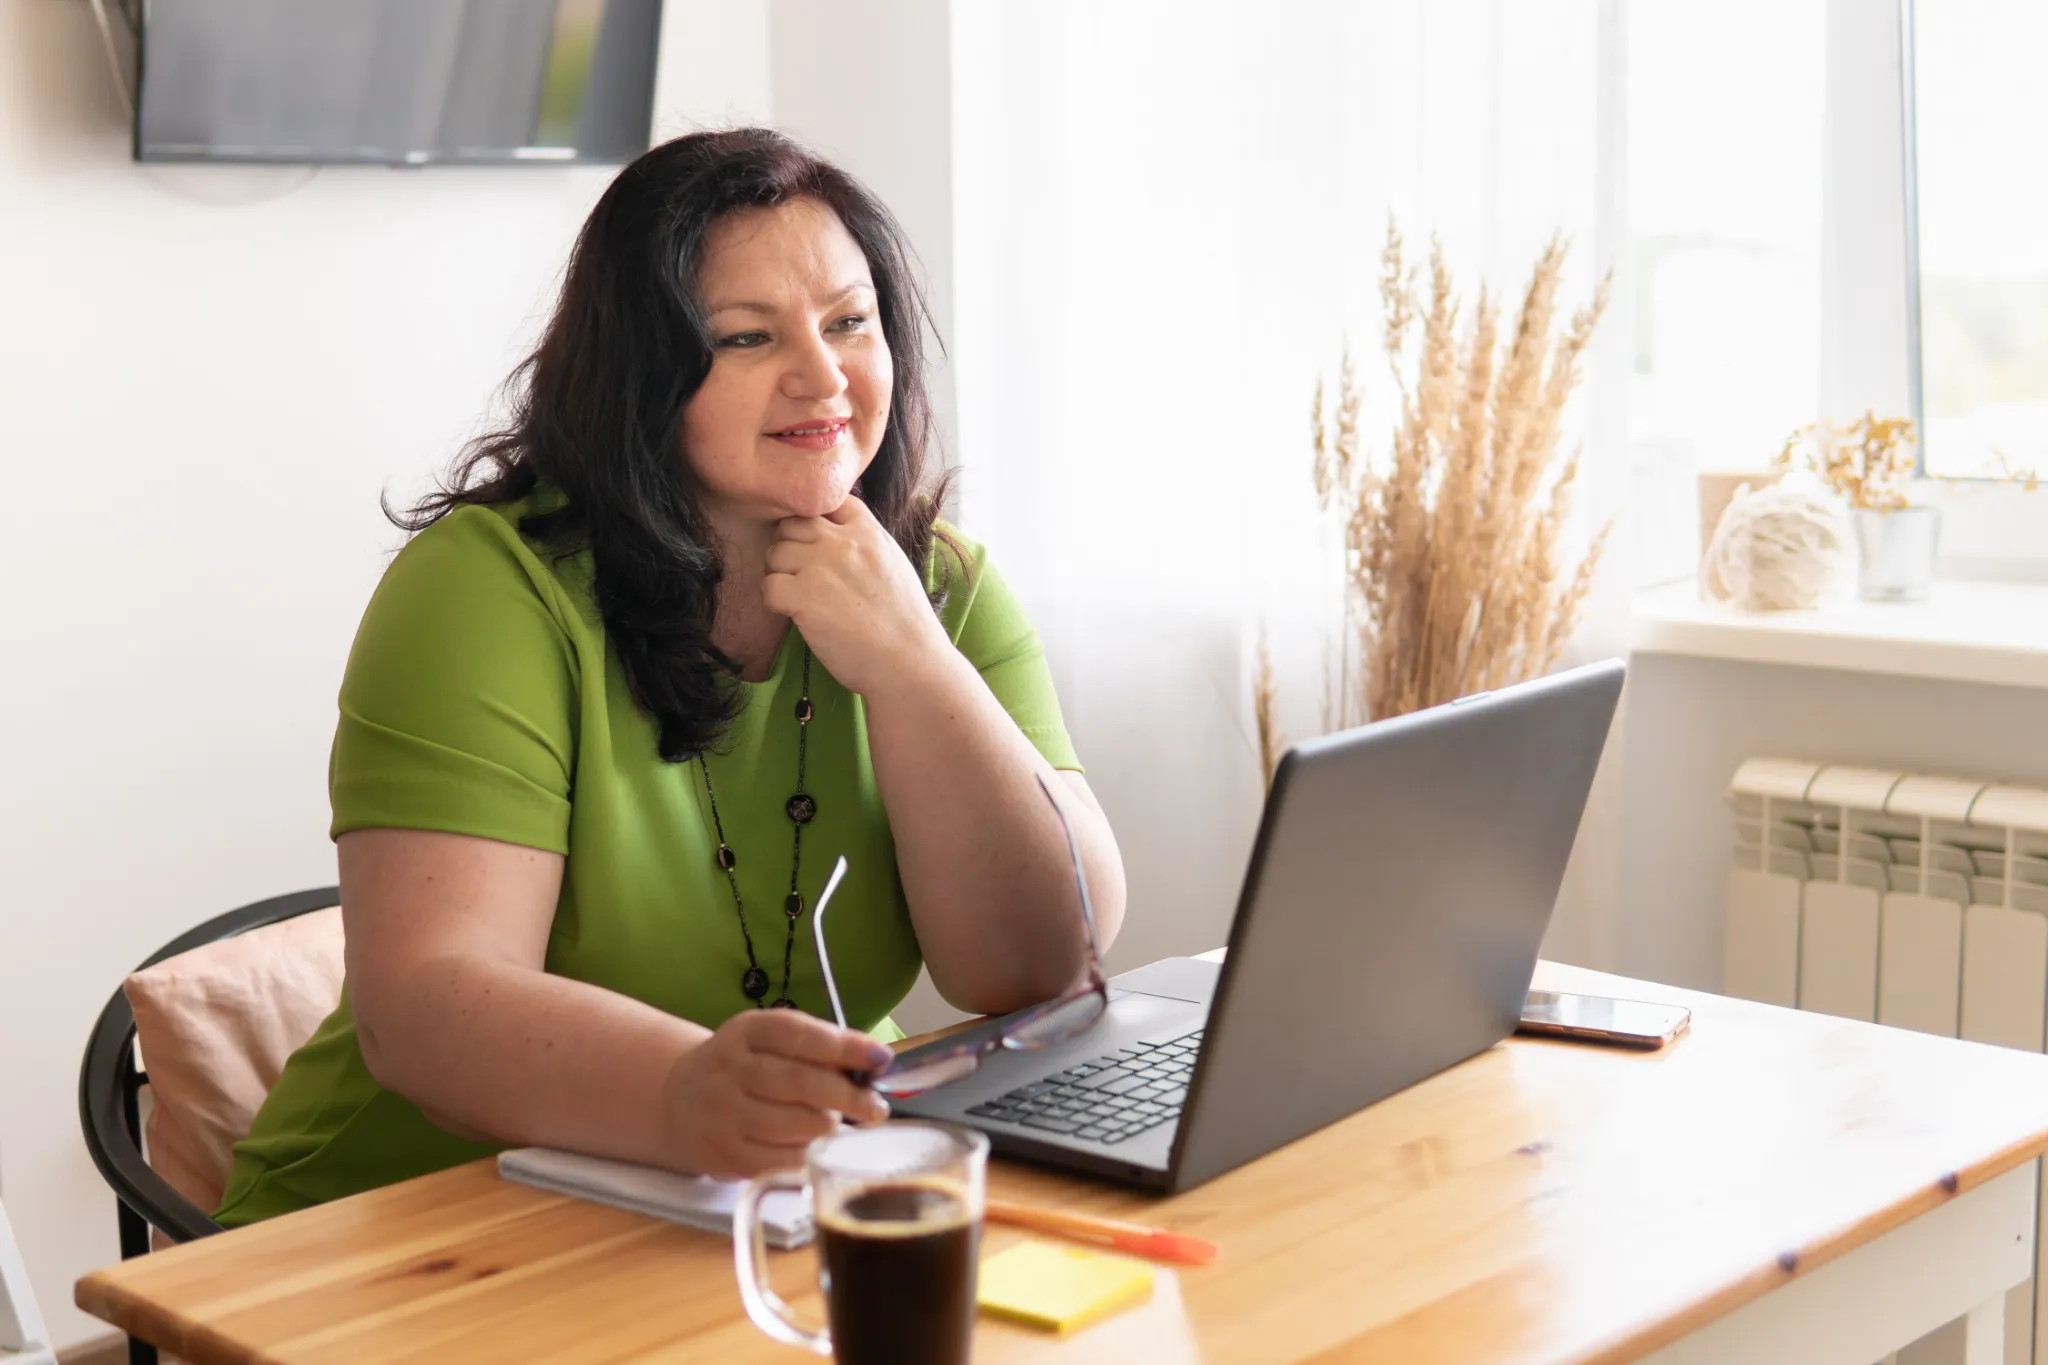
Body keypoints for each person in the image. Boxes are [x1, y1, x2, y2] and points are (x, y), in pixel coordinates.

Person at [216, 128, 1126, 1226]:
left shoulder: (938, 585)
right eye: (746, 338)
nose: (822, 374)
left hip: (768, 1198)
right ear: (639, 372)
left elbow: (1040, 961)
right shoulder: (483, 591)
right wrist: (684, 1091)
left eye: (850, 321)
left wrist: (911, 663)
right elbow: (422, 1006)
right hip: (416, 1219)